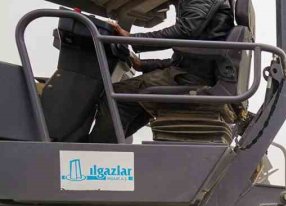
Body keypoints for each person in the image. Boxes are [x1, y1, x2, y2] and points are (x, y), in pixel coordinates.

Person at [89, 0, 235, 143]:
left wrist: (132, 38)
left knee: (117, 95)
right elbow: (191, 56)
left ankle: (94, 154)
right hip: (196, 74)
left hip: (191, 77)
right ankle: (109, 150)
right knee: (139, 104)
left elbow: (186, 30)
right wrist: (144, 65)